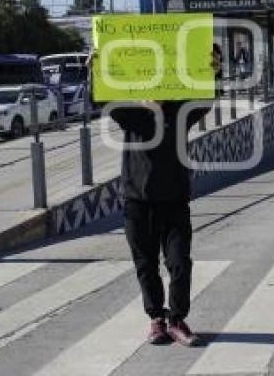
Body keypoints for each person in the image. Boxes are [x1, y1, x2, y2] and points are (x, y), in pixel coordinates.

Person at [90, 45, 221, 346]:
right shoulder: (132, 115)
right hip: (138, 203)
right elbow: (101, 98)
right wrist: (95, 69)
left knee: (179, 262)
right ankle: (156, 320)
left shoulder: (181, 111)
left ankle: (177, 319)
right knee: (145, 264)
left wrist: (214, 70)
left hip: (174, 201)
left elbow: (207, 98)